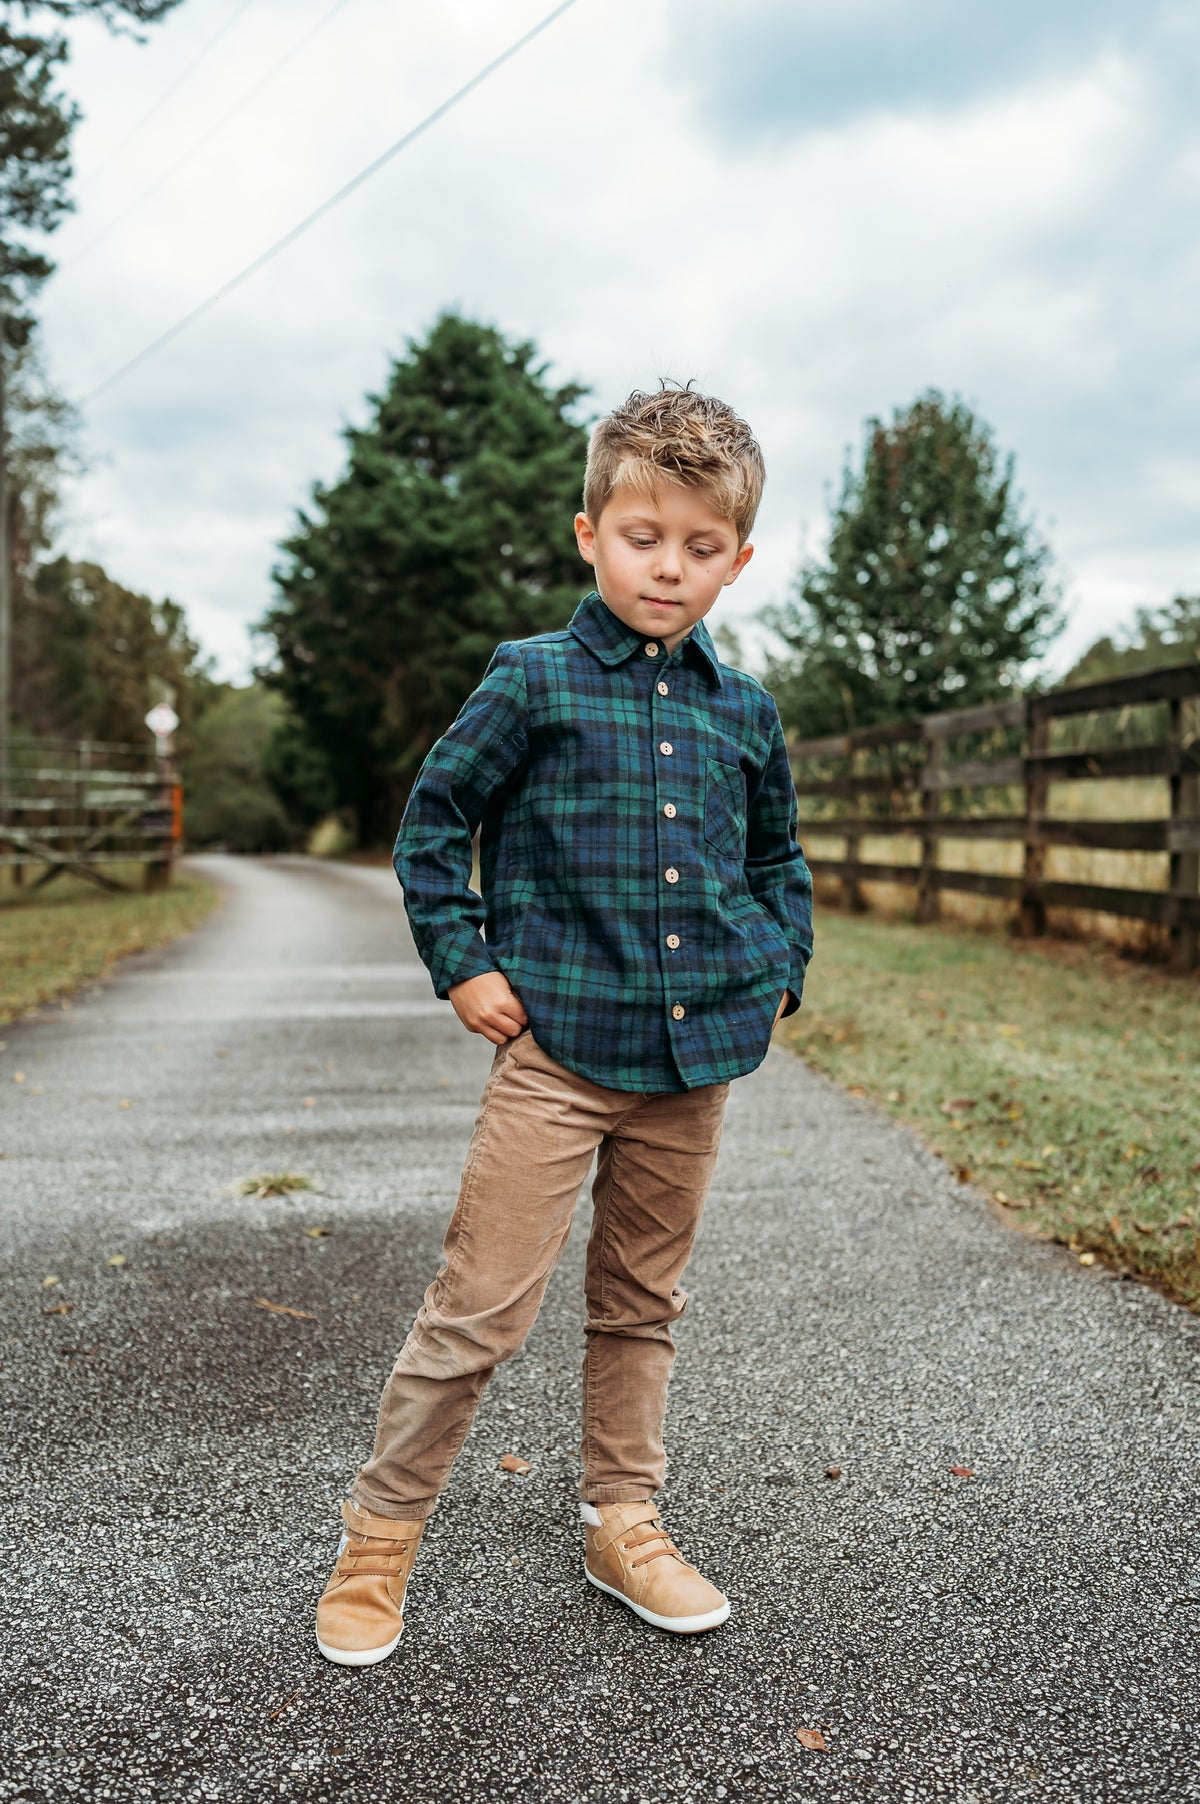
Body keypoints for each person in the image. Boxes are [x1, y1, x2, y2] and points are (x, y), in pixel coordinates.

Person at [315, 384, 814, 1666]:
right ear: (589, 531)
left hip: (694, 1060)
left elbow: (777, 862)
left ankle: (624, 1519)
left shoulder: (742, 708)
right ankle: (379, 1540)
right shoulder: (531, 681)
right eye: (645, 535)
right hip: (557, 1055)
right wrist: (462, 964)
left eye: (702, 547)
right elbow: (433, 823)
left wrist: (779, 969)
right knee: (480, 1303)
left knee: (642, 1301)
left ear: (738, 560)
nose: (670, 565)